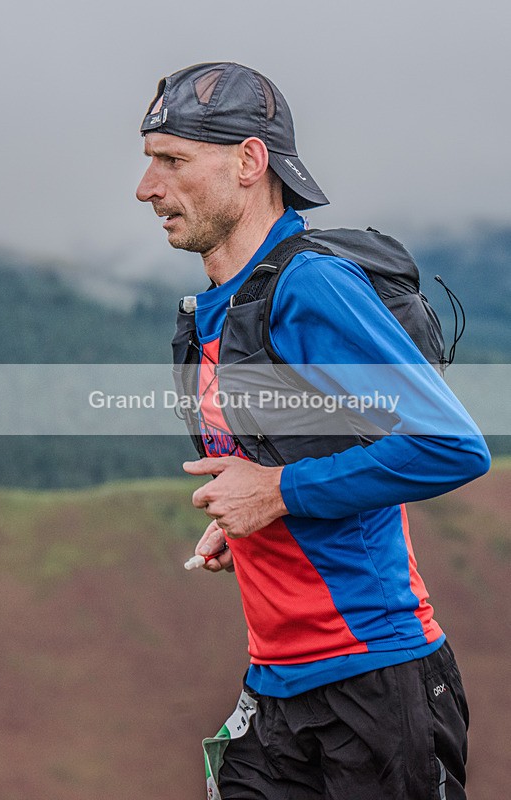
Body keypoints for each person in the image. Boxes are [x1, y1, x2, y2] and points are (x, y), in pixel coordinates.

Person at [136, 62, 490, 800]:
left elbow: (450, 445)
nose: (146, 188)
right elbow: (296, 451)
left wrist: (276, 493)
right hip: (276, 691)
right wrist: (248, 518)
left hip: (375, 680)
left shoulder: (311, 284)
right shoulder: (221, 307)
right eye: (149, 162)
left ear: (249, 161)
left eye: (172, 161)